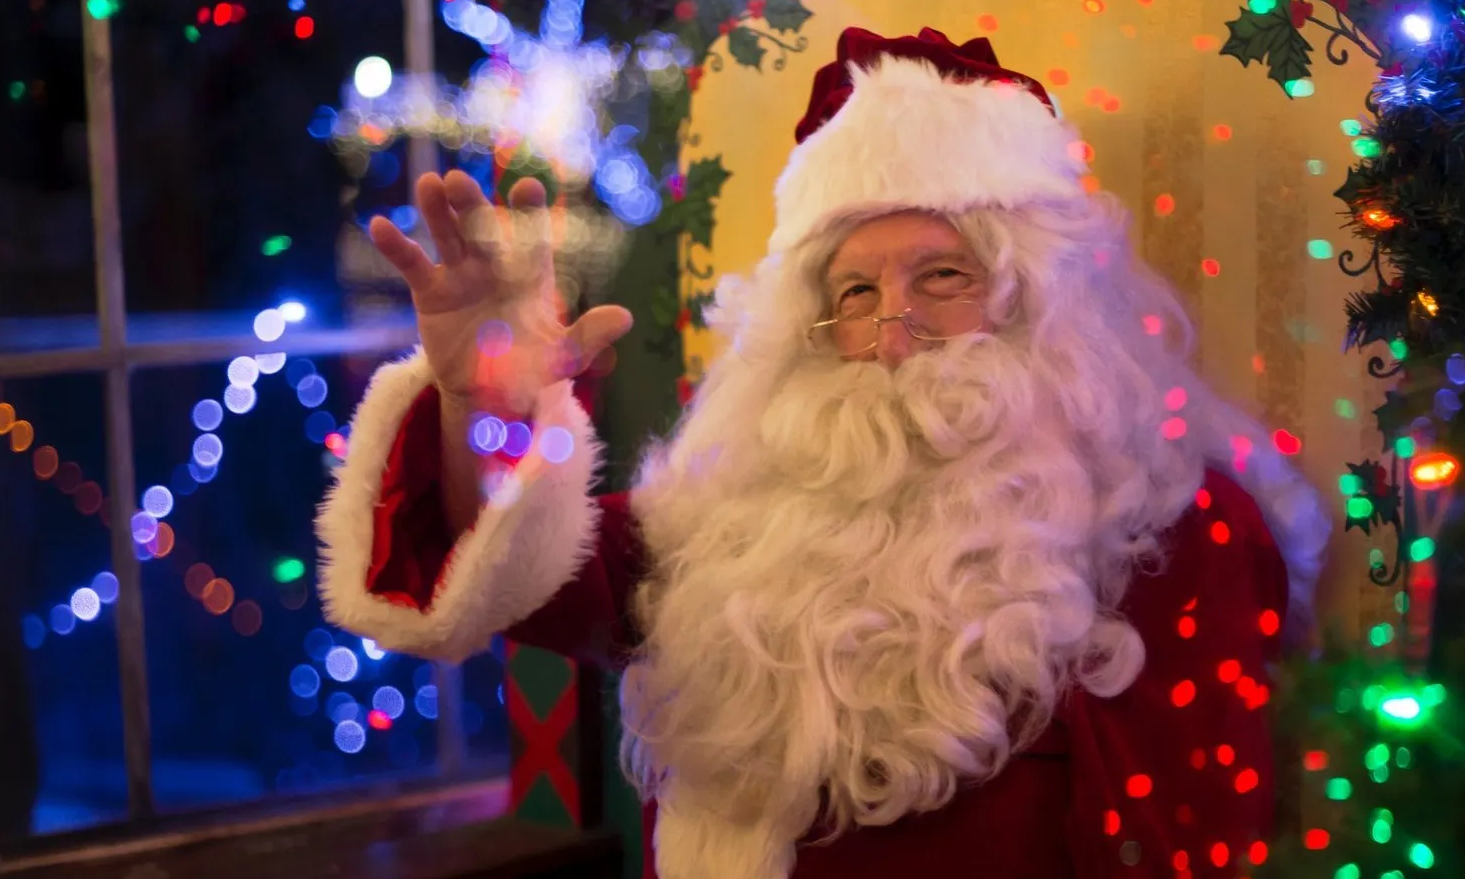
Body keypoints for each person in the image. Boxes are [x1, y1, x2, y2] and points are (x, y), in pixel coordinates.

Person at [317, 26, 1331, 879]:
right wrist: (472, 400)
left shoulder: (1173, 530)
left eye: (941, 276)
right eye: (854, 292)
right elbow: (507, 574)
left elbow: (1184, 847)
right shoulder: (737, 513)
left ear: (1040, 302)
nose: (893, 333)